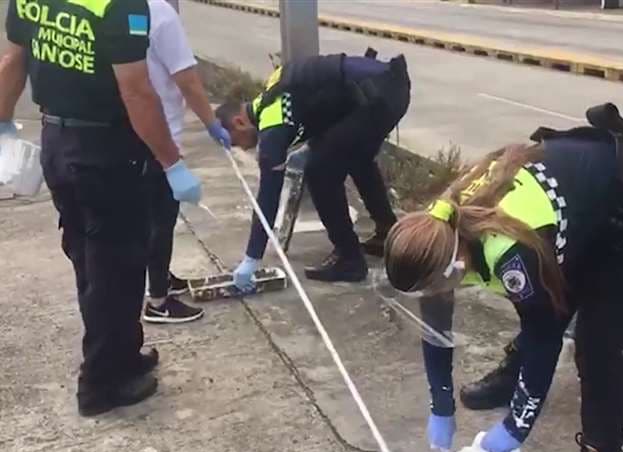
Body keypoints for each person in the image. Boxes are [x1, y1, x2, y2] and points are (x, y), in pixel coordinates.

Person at [383, 106, 623, 452]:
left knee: (596, 345)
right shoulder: (438, 232)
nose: (434, 297)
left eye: (435, 288)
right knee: (545, 299)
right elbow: (435, 331)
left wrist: (516, 427)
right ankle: (514, 377)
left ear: (453, 266)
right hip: (582, 209)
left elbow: (544, 335)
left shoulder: (511, 254)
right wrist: (441, 404)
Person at [1, 0, 202, 416]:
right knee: (117, 267)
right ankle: (101, 383)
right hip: (105, 151)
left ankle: (123, 354)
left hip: (57, 143)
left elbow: (13, 62)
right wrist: (172, 163)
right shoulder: (122, 4)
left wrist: (2, 121)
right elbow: (137, 91)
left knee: (90, 261)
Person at [215, 51, 410, 287]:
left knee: (319, 171)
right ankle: (387, 233)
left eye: (235, 142)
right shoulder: (271, 94)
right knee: (356, 157)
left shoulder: (273, 125)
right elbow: (321, 103)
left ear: (238, 122)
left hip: (378, 95)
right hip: (390, 84)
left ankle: (349, 259)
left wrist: (252, 257)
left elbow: (268, 197)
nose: (241, 148)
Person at [142, 0, 230, 324]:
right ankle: (158, 301)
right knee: (161, 219)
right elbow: (187, 80)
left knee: (145, 217)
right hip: (161, 135)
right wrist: (211, 123)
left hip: (130, 131)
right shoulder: (161, 14)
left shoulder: (119, 9)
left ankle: (160, 277)